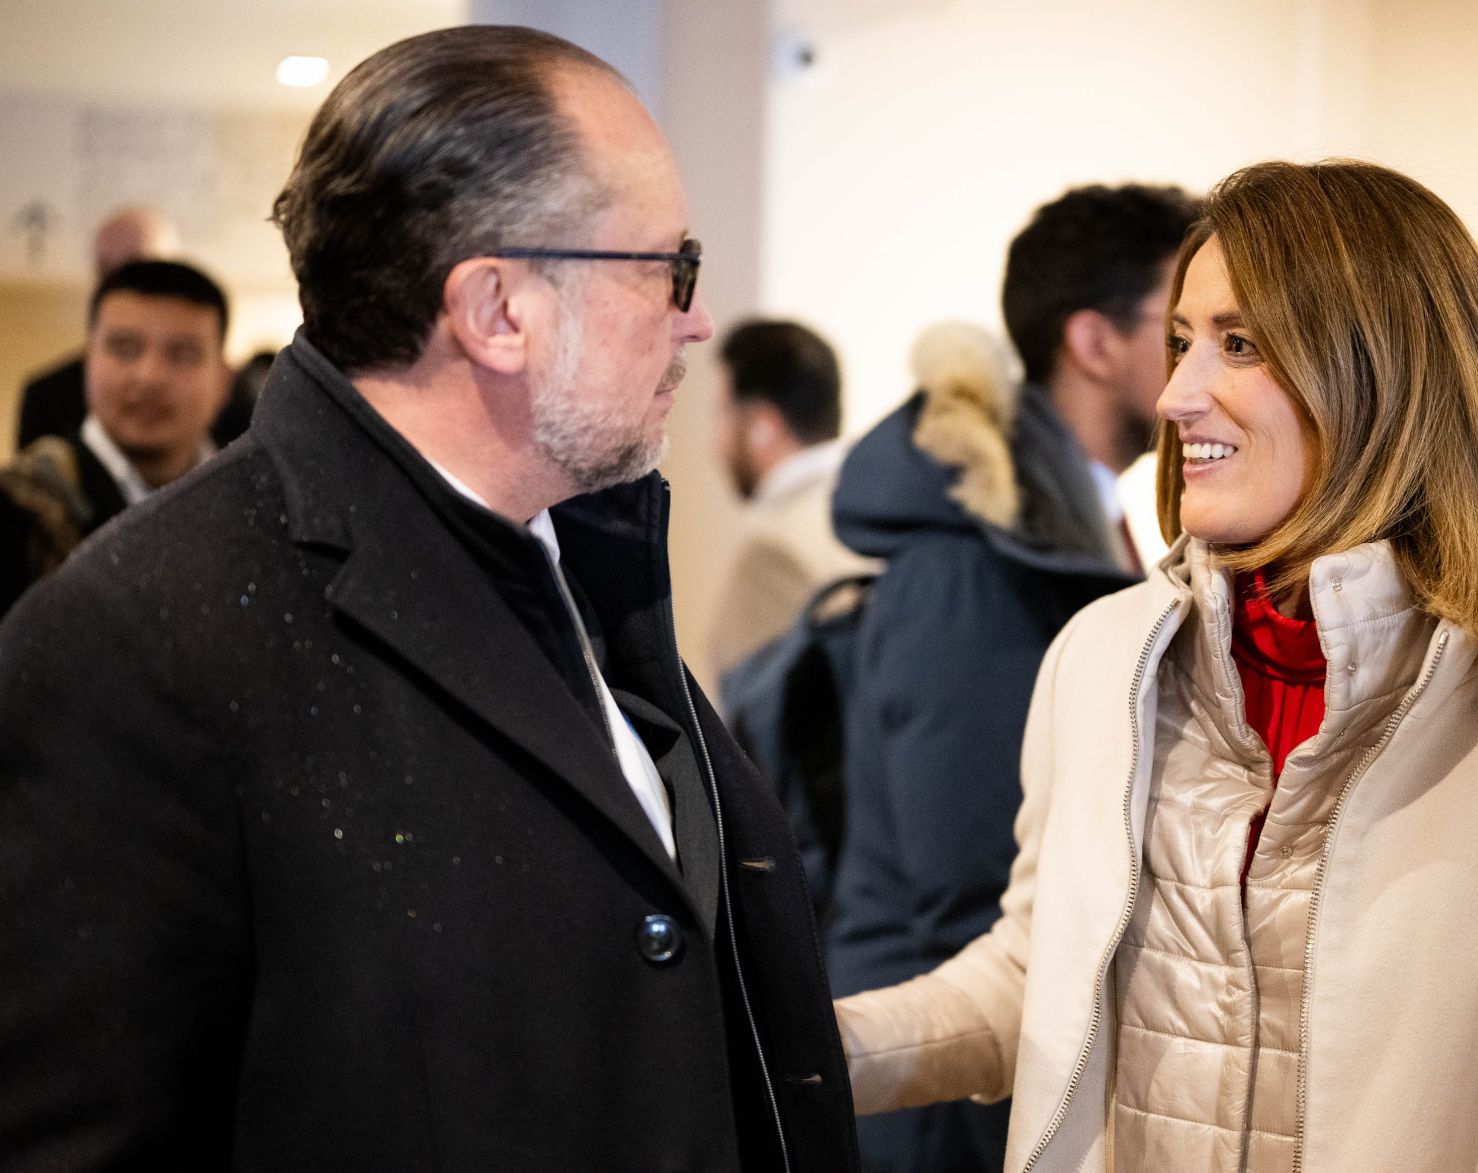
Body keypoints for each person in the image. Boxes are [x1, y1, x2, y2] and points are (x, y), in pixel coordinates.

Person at [0, 26, 858, 1173]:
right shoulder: (141, 636)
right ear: (496, 310)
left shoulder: (567, 553)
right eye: (668, 267)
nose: (693, 318)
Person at [835, 159, 1478, 1172]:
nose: (1177, 395)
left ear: (1377, 369)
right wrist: (805, 1049)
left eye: (1238, 345)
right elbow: (1033, 980)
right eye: (1179, 342)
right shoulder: (1102, 658)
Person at [824, 182, 1201, 1173]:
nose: (1199, 371)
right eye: (1183, 329)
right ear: (1094, 342)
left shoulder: (1061, 538)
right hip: (945, 1104)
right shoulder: (972, 560)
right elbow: (972, 880)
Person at [0, 258, 230, 617]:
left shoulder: (254, 500)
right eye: (125, 349)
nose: (150, 376)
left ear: (224, 379)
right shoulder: (20, 506)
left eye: (182, 354)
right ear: (86, 360)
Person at [705, 318, 876, 684]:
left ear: (761, 426)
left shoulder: (775, 552)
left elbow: (750, 725)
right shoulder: (879, 513)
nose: (715, 445)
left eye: (722, 414)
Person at [14, 207, 181, 448]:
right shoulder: (47, 395)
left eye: (137, 267)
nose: (118, 283)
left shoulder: (235, 393)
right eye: (105, 268)